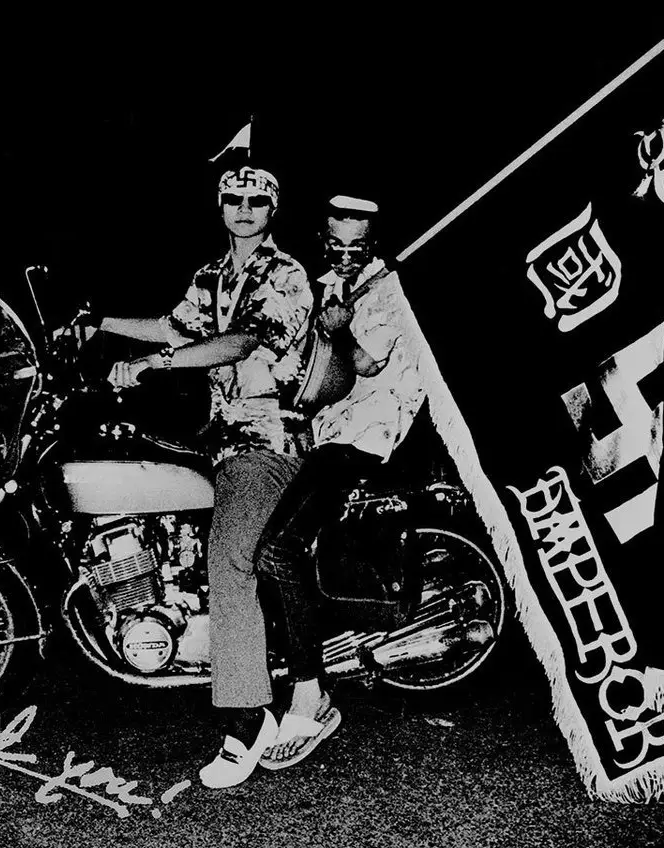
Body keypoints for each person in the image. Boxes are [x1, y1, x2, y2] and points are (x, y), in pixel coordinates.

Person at [86, 165, 314, 788]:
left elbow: (242, 342)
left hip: (267, 435)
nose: (244, 208)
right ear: (219, 207)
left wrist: (154, 365)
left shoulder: (285, 274)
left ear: (272, 210)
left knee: (229, 558)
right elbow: (173, 327)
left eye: (257, 200)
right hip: (219, 438)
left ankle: (248, 718)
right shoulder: (212, 276)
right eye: (233, 199)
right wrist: (100, 324)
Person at [254, 194, 428, 770]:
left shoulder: (390, 289)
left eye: (358, 246)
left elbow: (365, 364)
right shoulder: (328, 283)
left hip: (368, 435)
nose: (346, 256)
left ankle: (311, 694)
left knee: (278, 547)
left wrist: (342, 328)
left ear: (375, 244)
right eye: (336, 245)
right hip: (329, 431)